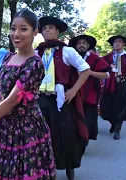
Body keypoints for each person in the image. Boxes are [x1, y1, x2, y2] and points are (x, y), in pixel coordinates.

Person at [0, 9, 56, 179]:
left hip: (23, 131)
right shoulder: (7, 58)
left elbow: (10, 101)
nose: (16, 34)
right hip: (1, 127)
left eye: (23, 29)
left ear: (35, 32)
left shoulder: (34, 65)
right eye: (13, 28)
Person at [36, 16, 91, 180]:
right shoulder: (36, 52)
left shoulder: (67, 51)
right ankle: (45, 169)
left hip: (61, 100)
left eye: (50, 27)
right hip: (40, 99)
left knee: (66, 135)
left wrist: (73, 90)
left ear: (57, 31)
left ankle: (68, 166)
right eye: (44, 28)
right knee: (41, 135)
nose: (47, 30)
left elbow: (85, 70)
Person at [69, 35, 110, 142]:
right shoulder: (71, 57)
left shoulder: (94, 58)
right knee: (73, 119)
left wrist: (89, 72)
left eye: (84, 43)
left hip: (90, 93)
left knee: (87, 120)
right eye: (79, 43)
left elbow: (106, 75)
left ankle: (83, 140)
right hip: (74, 93)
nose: (81, 45)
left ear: (88, 46)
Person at [100, 35, 126, 140]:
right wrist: (108, 67)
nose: (117, 43)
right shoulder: (108, 56)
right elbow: (100, 67)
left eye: (119, 42)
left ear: (123, 44)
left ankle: (117, 129)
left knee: (120, 107)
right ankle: (113, 122)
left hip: (122, 84)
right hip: (109, 83)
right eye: (115, 42)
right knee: (106, 106)